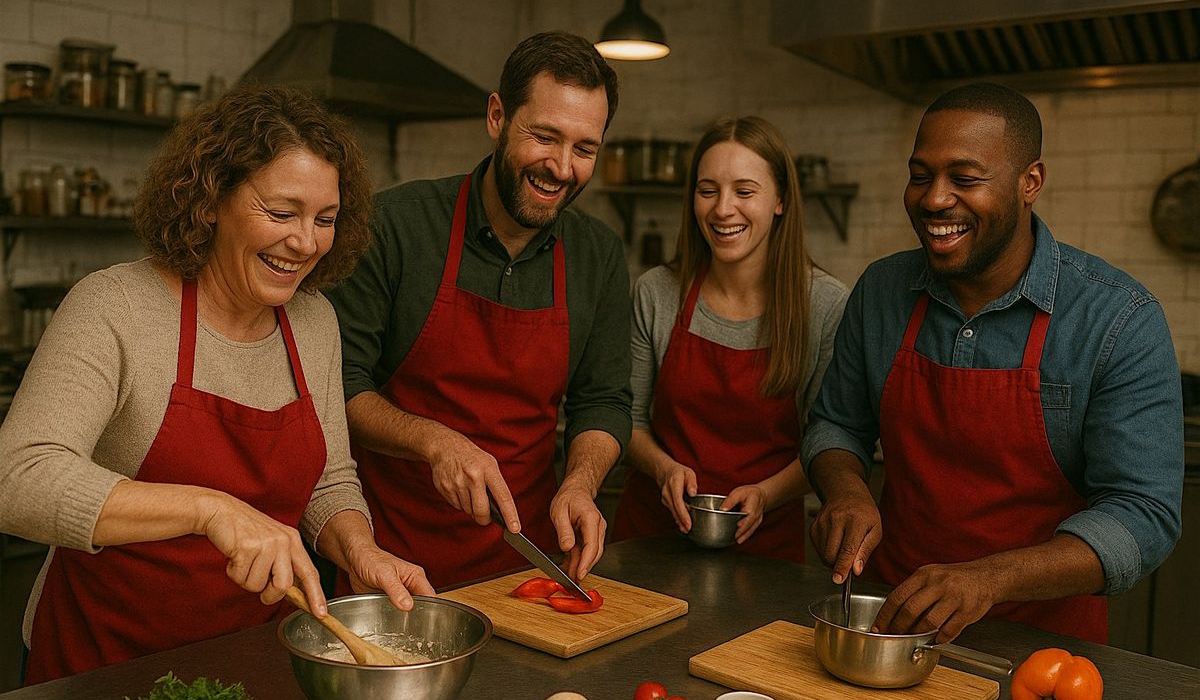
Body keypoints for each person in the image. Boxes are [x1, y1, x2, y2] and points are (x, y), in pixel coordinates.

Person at [0, 86, 433, 684]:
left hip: (247, 659)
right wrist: (207, 508)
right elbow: (17, 477)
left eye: (324, 219)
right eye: (281, 213)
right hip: (100, 663)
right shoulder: (116, 306)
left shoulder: (313, 323)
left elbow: (329, 478)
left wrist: (359, 549)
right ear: (210, 201)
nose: (305, 242)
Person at [803, 82, 1183, 644]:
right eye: (919, 175)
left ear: (1030, 183)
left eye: (965, 179)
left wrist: (990, 578)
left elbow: (1144, 514)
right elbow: (836, 423)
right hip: (889, 625)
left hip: (1043, 647)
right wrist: (846, 491)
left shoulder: (1118, 319)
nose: (933, 199)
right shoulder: (883, 291)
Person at [327, 32, 631, 590]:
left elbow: (604, 401)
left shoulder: (599, 255)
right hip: (391, 563)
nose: (562, 168)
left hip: (527, 569)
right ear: (497, 116)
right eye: (545, 137)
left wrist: (581, 483)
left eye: (584, 149)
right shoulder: (395, 227)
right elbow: (337, 387)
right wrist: (434, 441)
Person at [612, 117, 848, 561]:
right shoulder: (657, 292)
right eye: (707, 190)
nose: (723, 209)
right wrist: (663, 469)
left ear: (780, 200)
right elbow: (627, 420)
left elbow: (833, 443)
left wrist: (767, 494)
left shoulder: (825, 304)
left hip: (767, 553)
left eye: (744, 191)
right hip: (650, 540)